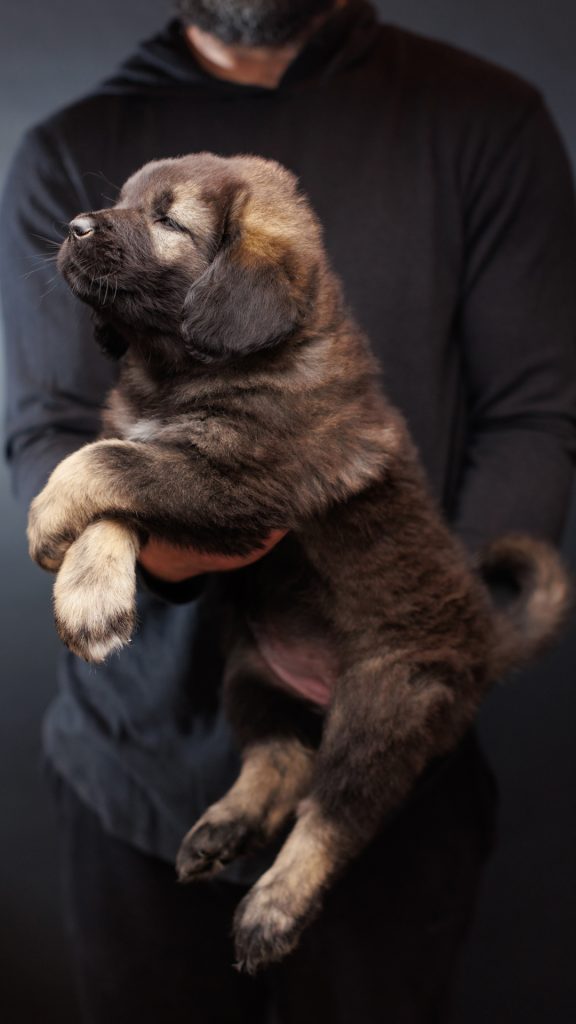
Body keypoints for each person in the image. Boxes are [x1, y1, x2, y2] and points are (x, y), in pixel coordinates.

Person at [1, 1, 575, 1021]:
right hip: (130, 766)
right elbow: (47, 426)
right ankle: (267, 775)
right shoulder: (65, 142)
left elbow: (535, 413)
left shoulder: (485, 118)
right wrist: (143, 545)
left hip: (397, 745)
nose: (105, 225)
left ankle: (316, 825)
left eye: (164, 221)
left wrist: (442, 643)